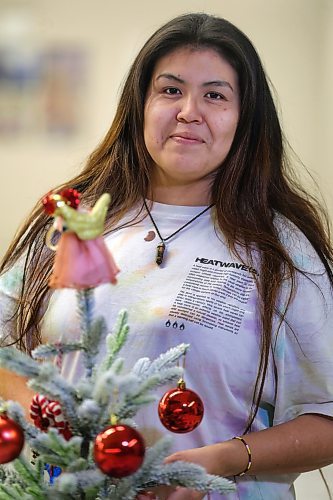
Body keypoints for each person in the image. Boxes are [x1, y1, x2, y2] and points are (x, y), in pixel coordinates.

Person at [1, 12, 333, 500]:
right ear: (141, 104)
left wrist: (220, 461)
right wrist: (52, 422)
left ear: (246, 118)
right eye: (171, 90)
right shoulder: (77, 217)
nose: (189, 111)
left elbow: (326, 417)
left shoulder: (281, 250)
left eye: (215, 95)